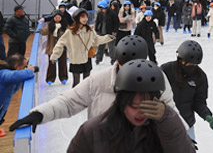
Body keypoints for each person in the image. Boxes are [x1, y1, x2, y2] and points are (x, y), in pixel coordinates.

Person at [45, 60, 196, 153]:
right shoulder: (94, 131)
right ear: (121, 101)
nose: (139, 113)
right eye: (133, 106)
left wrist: (167, 118)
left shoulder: (161, 130)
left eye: (146, 106)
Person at [10, 36, 181, 133]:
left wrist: (182, 134)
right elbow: (69, 101)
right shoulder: (99, 81)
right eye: (126, 66)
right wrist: (39, 114)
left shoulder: (157, 80)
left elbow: (170, 109)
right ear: (118, 61)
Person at [161, 40, 213, 153]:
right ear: (180, 60)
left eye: (195, 64)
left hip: (186, 124)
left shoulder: (200, 77)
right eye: (188, 63)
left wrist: (207, 115)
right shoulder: (166, 70)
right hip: (163, 123)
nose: (191, 66)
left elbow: (199, 102)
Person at [50, 9, 114, 87]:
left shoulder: (89, 30)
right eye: (82, 17)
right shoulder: (70, 32)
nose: (85, 19)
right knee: (76, 83)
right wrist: (54, 56)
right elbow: (60, 44)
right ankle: (74, 98)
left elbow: (96, 40)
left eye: (86, 17)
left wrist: (108, 37)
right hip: (76, 60)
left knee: (86, 83)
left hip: (87, 58)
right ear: (77, 18)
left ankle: (85, 98)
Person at [0, 55, 38, 137]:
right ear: (17, 66)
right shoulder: (4, 73)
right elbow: (16, 76)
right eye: (24, 67)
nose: (26, 68)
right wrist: (31, 70)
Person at [41, 11, 69, 85]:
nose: (57, 19)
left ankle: (63, 78)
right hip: (52, 47)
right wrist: (41, 30)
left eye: (59, 17)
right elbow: (45, 32)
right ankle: (50, 78)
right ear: (53, 18)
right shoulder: (50, 25)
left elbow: (69, 33)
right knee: (51, 63)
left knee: (63, 63)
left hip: (62, 47)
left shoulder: (65, 25)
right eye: (56, 17)